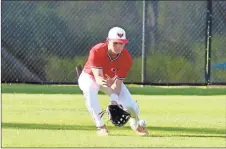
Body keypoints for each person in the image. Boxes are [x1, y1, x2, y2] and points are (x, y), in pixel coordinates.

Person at [78, 26, 149, 136]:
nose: (119, 46)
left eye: (122, 43)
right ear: (108, 41)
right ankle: (101, 126)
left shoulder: (126, 58)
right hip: (89, 77)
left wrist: (114, 100)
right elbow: (98, 78)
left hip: (112, 81)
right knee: (90, 90)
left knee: (130, 107)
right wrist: (109, 84)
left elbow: (118, 84)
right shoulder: (97, 50)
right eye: (115, 43)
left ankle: (136, 124)